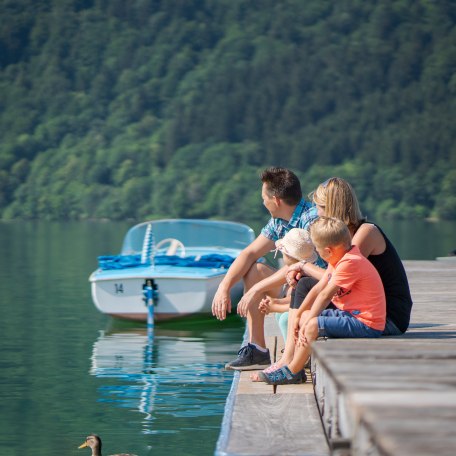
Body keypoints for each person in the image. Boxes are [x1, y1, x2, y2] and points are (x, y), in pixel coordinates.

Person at [255, 177, 413, 378]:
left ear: (333, 207)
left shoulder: (363, 235)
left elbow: (332, 282)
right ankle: (291, 357)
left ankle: (290, 362)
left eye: (320, 207)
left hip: (385, 317)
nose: (317, 213)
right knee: (303, 286)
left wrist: (303, 266)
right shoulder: (340, 239)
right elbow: (327, 280)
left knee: (307, 295)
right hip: (356, 305)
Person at [211, 167, 320, 370]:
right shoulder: (278, 221)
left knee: (259, 280)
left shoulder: (311, 220)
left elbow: (306, 268)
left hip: (314, 290)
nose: (262, 202)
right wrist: (224, 287)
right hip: (295, 286)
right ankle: (257, 350)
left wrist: (257, 289)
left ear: (276, 200)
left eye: (264, 197)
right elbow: (249, 253)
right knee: (255, 270)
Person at [258, 216, 386, 385]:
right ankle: (296, 364)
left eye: (318, 249)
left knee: (311, 325)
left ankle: (293, 371)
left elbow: (325, 295)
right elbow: (317, 289)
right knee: (305, 317)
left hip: (367, 323)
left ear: (329, 250)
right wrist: (298, 317)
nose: (317, 253)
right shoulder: (339, 258)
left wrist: (307, 322)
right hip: (349, 315)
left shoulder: (350, 262)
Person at [258, 228, 318, 342]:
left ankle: (293, 354)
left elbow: (304, 305)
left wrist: (275, 307)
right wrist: (276, 302)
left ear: (287, 255)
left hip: (310, 312)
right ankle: (289, 349)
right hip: (307, 308)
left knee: (285, 319)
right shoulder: (300, 273)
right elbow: (297, 300)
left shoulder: (303, 277)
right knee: (280, 316)